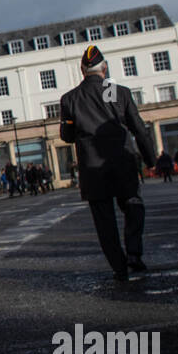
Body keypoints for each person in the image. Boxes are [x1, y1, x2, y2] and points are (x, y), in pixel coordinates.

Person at [59, 45, 157, 281]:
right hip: (122, 161)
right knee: (133, 206)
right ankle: (134, 252)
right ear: (105, 68)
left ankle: (118, 266)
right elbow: (138, 128)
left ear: (82, 70)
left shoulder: (70, 98)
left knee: (105, 222)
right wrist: (150, 158)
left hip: (92, 169)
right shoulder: (117, 92)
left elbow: (67, 136)